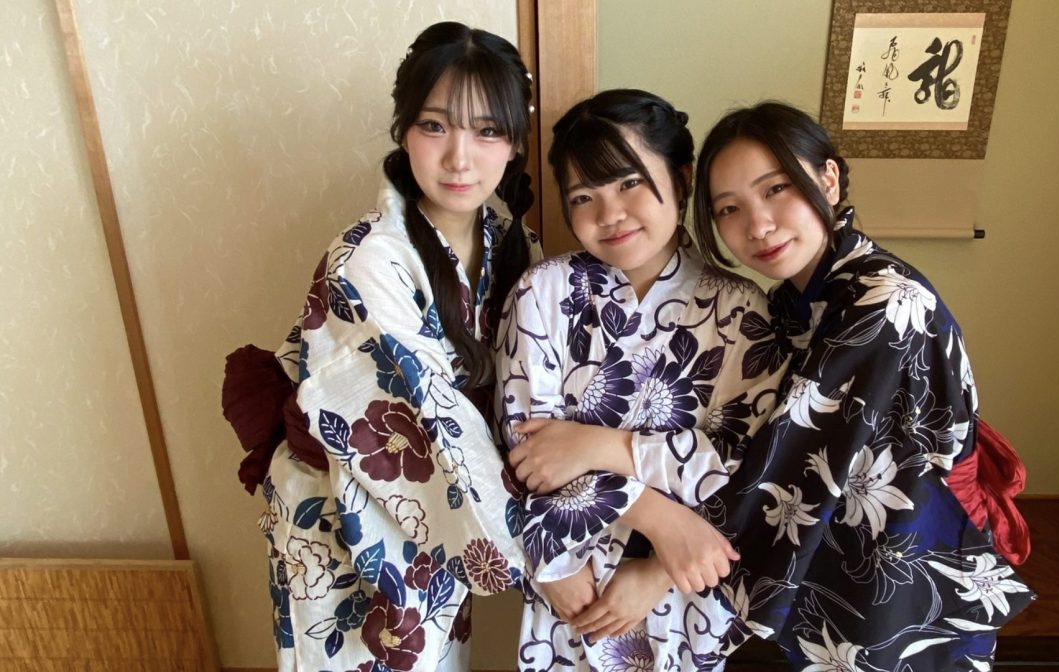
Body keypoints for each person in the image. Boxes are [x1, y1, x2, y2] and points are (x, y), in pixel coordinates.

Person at [221, 22, 540, 672]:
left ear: (515, 142)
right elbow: (425, 418)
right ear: (403, 130)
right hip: (344, 519)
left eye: (487, 130)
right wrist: (545, 554)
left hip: (439, 520)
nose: (460, 158)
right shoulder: (366, 259)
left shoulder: (515, 245)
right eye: (435, 126)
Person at [690, 101, 1034, 670]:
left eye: (776, 189)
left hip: (911, 531)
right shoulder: (790, 300)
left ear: (828, 179)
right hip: (851, 530)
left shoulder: (884, 301)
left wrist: (673, 555)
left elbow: (789, 456)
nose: (758, 224)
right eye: (729, 208)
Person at [492, 89, 787, 671]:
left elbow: (745, 465)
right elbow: (529, 452)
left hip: (686, 584)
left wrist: (657, 567)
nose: (610, 214)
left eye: (629, 183)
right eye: (584, 196)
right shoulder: (542, 293)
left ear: (682, 176)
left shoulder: (742, 309)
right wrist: (570, 558)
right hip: (569, 580)